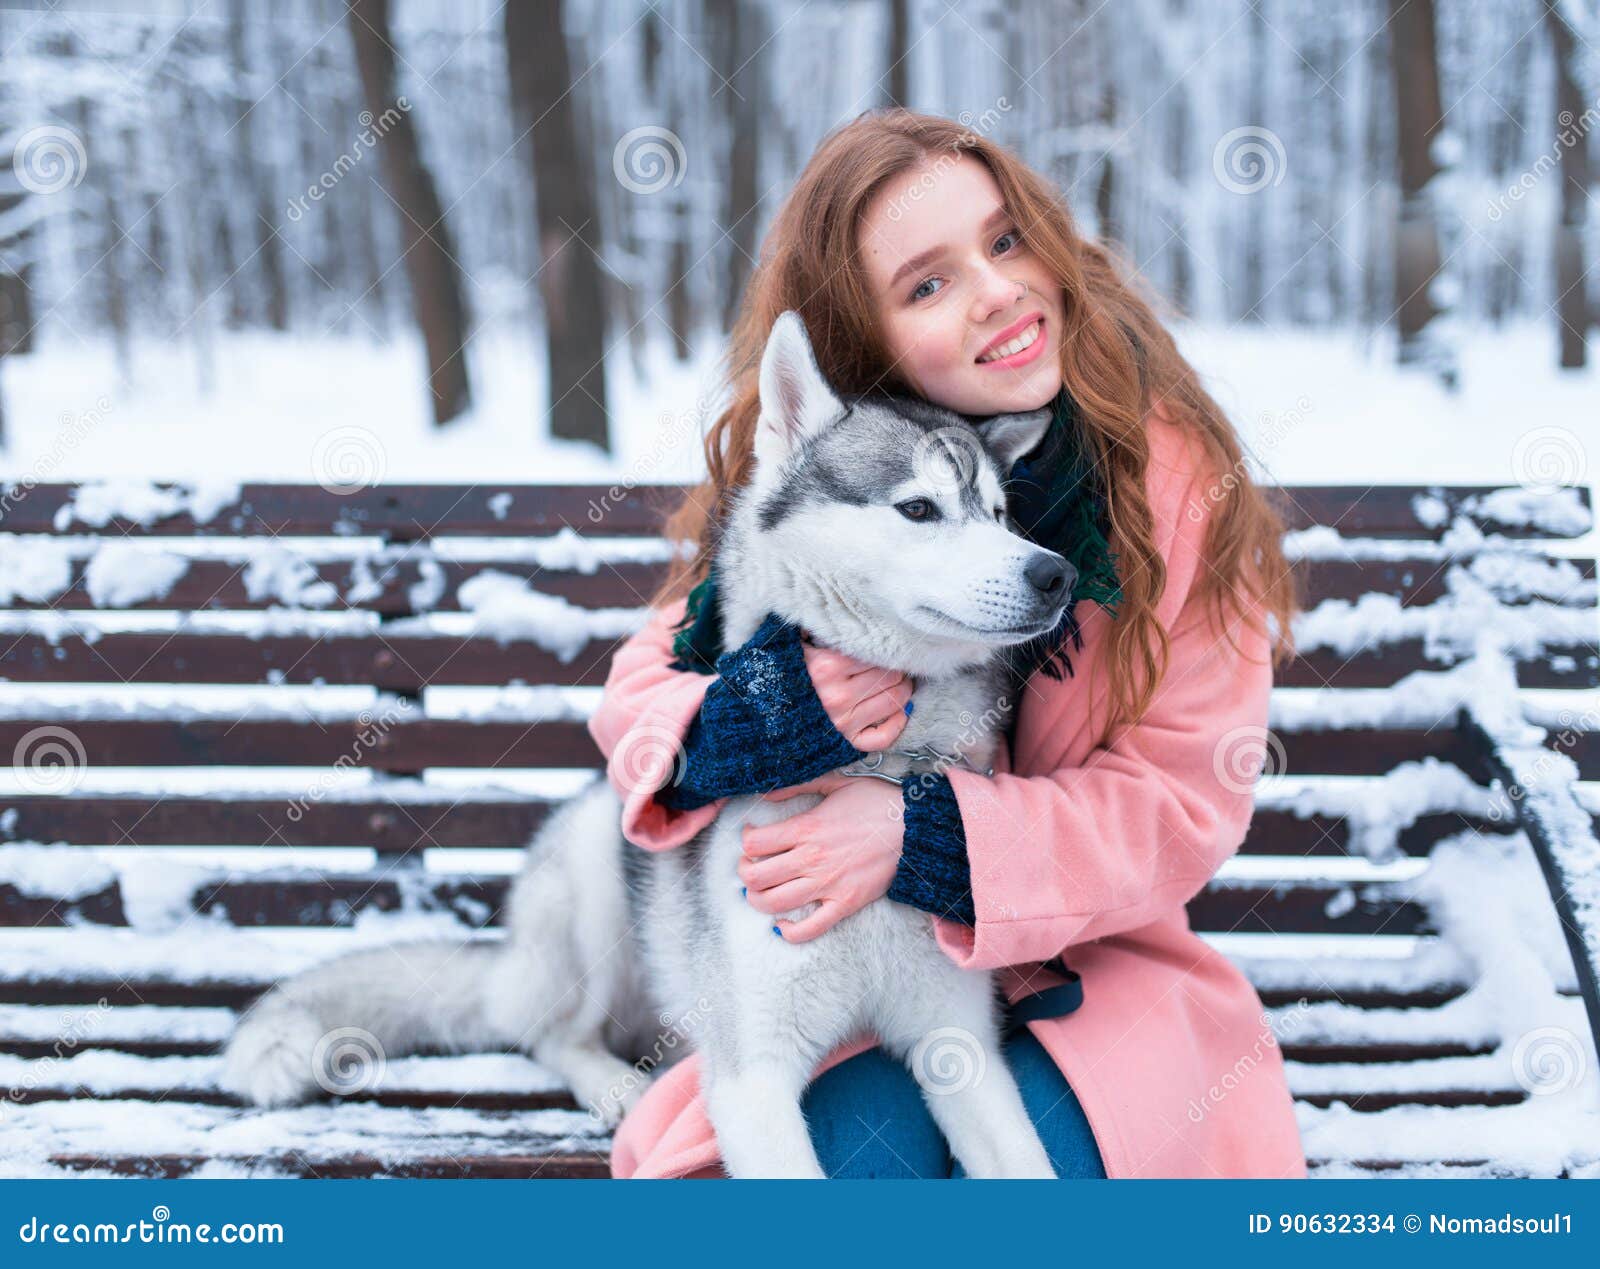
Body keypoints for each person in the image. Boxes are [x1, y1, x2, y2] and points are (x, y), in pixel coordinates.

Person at [585, 107, 1307, 1179]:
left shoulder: (1178, 491)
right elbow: (646, 684)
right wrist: (758, 718)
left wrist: (927, 832)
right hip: (856, 984)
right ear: (864, 340)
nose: (998, 290)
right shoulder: (848, 467)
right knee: (856, 1169)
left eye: (1005, 240)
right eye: (927, 284)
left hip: (1087, 980)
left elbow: (1179, 803)